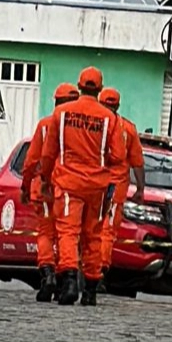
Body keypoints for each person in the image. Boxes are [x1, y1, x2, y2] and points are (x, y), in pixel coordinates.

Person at [40, 67, 126, 306]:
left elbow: (49, 153)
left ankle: (68, 281)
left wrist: (45, 179)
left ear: (79, 87)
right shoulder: (110, 119)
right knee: (93, 236)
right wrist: (112, 187)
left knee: (68, 232)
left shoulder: (62, 113)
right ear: (99, 89)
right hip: (97, 186)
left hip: (68, 183)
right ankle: (90, 289)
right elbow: (119, 158)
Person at [21, 83, 79, 303]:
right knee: (69, 234)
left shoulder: (45, 125)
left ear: (55, 102)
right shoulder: (79, 125)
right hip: (70, 189)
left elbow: (32, 160)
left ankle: (48, 276)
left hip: (46, 187)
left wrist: (25, 186)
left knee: (46, 233)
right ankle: (68, 281)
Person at [97, 87, 145, 292]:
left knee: (85, 228)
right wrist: (141, 189)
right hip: (115, 187)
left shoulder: (92, 122)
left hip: (92, 183)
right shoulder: (128, 128)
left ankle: (76, 269)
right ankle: (97, 272)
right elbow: (137, 162)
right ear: (118, 105)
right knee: (107, 231)